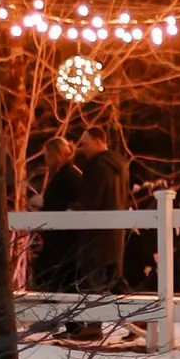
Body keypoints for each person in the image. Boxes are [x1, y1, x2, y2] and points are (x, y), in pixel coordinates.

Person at [69, 124, 126, 292]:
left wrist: (73, 209)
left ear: (98, 141)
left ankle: (95, 318)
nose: (83, 149)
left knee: (92, 288)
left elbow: (90, 202)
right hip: (115, 237)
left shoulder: (97, 167)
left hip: (95, 240)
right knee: (114, 284)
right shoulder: (120, 166)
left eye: (86, 144)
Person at [32, 136, 84, 295]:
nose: (46, 160)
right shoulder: (67, 174)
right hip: (60, 240)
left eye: (48, 155)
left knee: (51, 277)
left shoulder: (67, 176)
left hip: (64, 242)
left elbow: (60, 203)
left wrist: (42, 206)